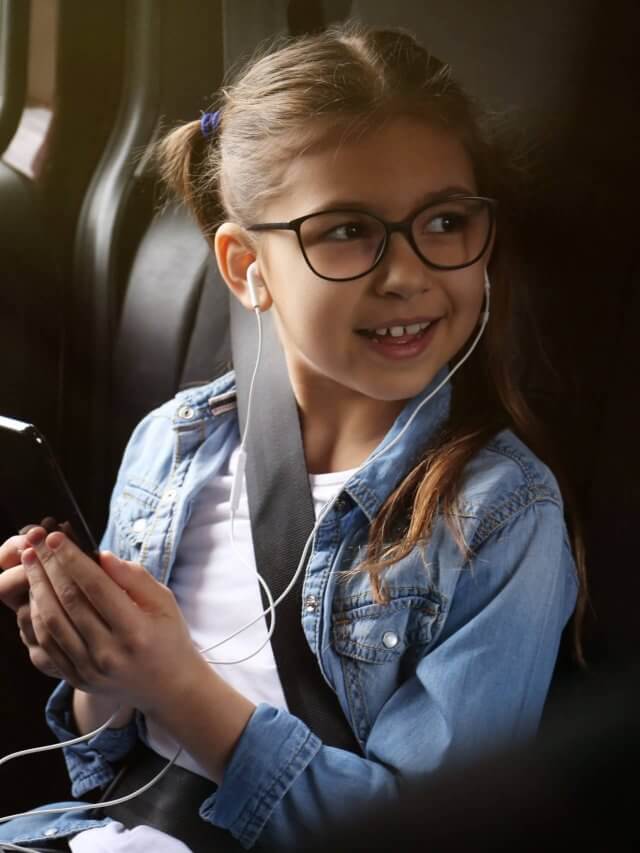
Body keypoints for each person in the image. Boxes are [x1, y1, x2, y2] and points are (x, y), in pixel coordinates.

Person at [0, 21, 584, 853]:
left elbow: (423, 830)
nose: (410, 271)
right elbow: (109, 757)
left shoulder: (497, 513)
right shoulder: (173, 447)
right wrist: (96, 664)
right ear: (246, 268)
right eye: (348, 231)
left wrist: (173, 680)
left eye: (446, 221)